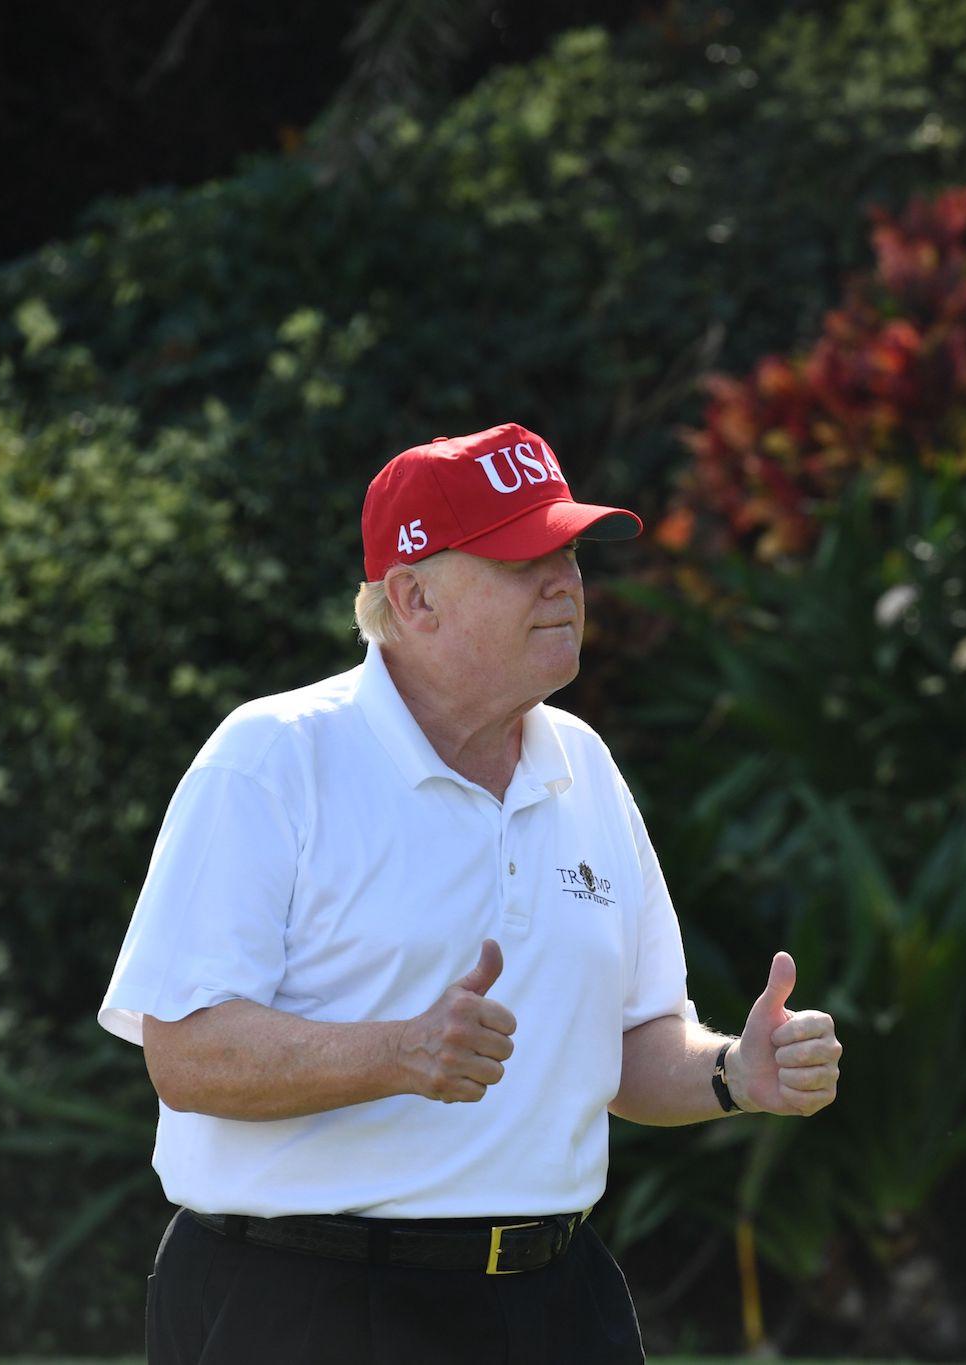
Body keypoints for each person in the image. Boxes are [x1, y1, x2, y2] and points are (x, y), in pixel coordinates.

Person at [96, 421, 841, 1364]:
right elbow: (186, 1054)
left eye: (568, 552)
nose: (564, 582)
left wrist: (737, 1072)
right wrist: (398, 1052)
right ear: (413, 597)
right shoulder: (273, 758)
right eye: (523, 557)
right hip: (304, 1303)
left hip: (556, 1304)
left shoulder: (585, 766)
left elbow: (631, 1046)